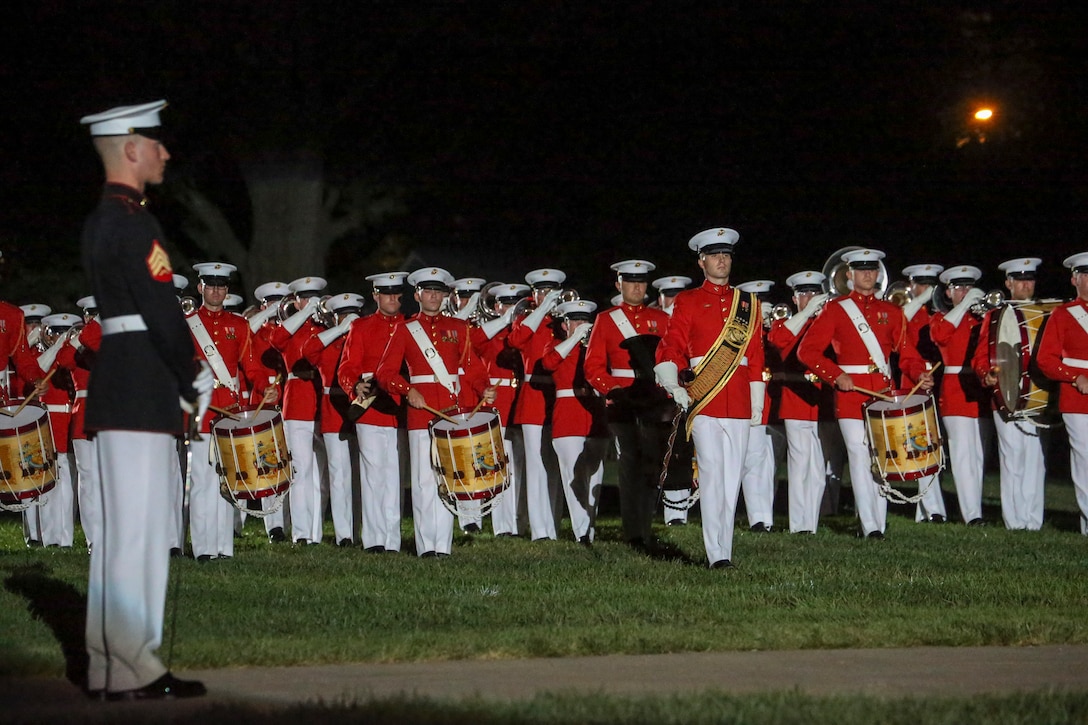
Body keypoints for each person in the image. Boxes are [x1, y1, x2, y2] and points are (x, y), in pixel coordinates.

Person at [79, 99, 209, 699]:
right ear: (131, 149)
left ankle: (113, 663)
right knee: (140, 530)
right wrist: (191, 375)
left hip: (122, 382)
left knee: (123, 532)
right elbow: (161, 309)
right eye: (155, 142)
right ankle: (135, 662)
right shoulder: (134, 223)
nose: (165, 152)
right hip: (141, 384)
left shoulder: (108, 219)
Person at [797, 248, 934, 539]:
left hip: (883, 392)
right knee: (859, 456)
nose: (867, 275)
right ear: (849, 275)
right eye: (861, 270)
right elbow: (807, 351)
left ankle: (877, 523)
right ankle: (870, 526)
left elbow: (907, 355)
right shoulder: (835, 309)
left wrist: (918, 374)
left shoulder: (893, 312)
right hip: (849, 394)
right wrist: (836, 375)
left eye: (871, 270)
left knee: (881, 457)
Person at [654, 228, 765, 569]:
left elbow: (757, 355)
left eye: (727, 255)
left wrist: (759, 401)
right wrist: (674, 384)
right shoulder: (686, 301)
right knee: (713, 472)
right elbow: (671, 345)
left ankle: (724, 548)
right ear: (701, 261)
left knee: (732, 478)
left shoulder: (749, 304)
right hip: (705, 397)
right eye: (715, 255)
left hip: (740, 399)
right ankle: (717, 554)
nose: (722, 260)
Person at [374, 267, 496, 557]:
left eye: (438, 291)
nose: (433, 296)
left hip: (453, 412)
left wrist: (484, 389)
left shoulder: (459, 328)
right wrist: (406, 390)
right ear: (417, 294)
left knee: (449, 479)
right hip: (420, 413)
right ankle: (425, 545)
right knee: (423, 480)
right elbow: (385, 372)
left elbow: (474, 369)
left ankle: (443, 546)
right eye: (427, 291)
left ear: (444, 295)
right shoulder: (405, 329)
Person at [185, 261, 276, 560]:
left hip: (230, 411)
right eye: (210, 286)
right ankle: (203, 548)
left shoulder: (239, 325)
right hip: (201, 410)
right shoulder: (186, 324)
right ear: (200, 288)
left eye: (221, 286)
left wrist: (265, 387)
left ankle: (224, 547)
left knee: (228, 481)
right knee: (201, 480)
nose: (215, 291)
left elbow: (251, 367)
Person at [586, 259, 672, 549]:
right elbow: (593, 367)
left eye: (642, 281)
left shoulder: (661, 320)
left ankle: (645, 525)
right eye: (631, 281)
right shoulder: (607, 319)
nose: (637, 287)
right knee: (629, 464)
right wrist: (613, 389)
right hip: (623, 402)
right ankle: (633, 530)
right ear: (618, 284)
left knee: (651, 464)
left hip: (654, 401)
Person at [971, 257, 1046, 529]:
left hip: (1037, 394)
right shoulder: (995, 315)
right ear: (1008, 283)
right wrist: (986, 373)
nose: (1026, 285)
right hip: (1006, 394)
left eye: (1030, 279)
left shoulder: (1046, 312)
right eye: (1020, 280)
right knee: (1012, 456)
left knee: (1035, 459)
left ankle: (1033, 521)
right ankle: (1014, 521)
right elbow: (980, 356)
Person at [339, 272, 410, 553]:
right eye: (387, 294)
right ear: (376, 296)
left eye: (397, 294)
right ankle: (375, 539)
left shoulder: (409, 326)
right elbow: (347, 366)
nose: (393, 299)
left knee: (395, 474)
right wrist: (353, 385)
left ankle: (392, 539)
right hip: (370, 405)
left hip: (401, 407)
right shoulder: (361, 326)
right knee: (373, 474)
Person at [767, 270, 830, 534]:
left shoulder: (828, 322)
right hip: (795, 397)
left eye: (814, 293)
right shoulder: (789, 323)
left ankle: (810, 523)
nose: (809, 298)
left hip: (822, 400)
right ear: (794, 298)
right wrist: (806, 313)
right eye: (803, 294)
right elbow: (776, 341)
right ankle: (797, 525)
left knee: (817, 468)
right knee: (800, 461)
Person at [507, 269, 566, 541]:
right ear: (533, 294)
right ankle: (539, 530)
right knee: (535, 463)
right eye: (541, 292)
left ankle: (553, 524)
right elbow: (516, 341)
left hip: (558, 394)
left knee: (555, 463)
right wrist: (541, 310)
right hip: (532, 394)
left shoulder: (563, 321)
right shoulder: (527, 319)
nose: (546, 296)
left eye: (550, 292)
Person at [543, 299, 608, 543]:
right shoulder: (557, 345)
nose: (581, 325)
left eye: (585, 321)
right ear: (566, 324)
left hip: (594, 413)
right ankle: (582, 532)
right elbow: (549, 363)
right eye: (575, 321)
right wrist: (574, 339)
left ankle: (589, 527)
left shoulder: (595, 347)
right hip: (568, 416)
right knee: (574, 475)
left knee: (596, 474)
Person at [302, 292, 364, 547]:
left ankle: (362, 530)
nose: (348, 320)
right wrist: (338, 329)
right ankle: (344, 535)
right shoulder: (327, 340)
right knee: (339, 473)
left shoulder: (362, 338)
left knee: (362, 475)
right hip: (333, 409)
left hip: (363, 406)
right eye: (343, 315)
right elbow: (308, 351)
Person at [928, 265, 989, 525]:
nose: (965, 292)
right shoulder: (940, 318)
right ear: (948, 293)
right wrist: (964, 307)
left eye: (969, 287)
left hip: (980, 387)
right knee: (963, 453)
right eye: (959, 288)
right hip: (955, 389)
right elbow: (940, 336)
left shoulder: (982, 317)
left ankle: (976, 508)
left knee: (979, 454)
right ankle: (971, 514)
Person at [1034, 252, 1088, 535]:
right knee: (1086, 462)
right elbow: (1045, 359)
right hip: (1077, 398)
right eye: (1086, 275)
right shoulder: (1064, 314)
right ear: (1074, 279)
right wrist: (1074, 376)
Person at [898, 263, 948, 523]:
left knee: (934, 449)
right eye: (922, 284)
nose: (927, 289)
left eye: (931, 284)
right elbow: (899, 322)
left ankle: (925, 510)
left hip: (942, 386)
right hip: (913, 385)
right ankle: (934, 509)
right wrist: (922, 299)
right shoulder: (909, 311)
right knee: (919, 446)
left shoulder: (941, 311)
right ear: (912, 286)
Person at [734, 280, 779, 532]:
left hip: (762, 402)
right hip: (743, 398)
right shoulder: (739, 329)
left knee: (759, 460)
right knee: (738, 460)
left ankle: (761, 518)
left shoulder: (771, 330)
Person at [650, 275, 695, 525]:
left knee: (686, 454)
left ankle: (682, 512)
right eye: (669, 296)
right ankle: (670, 512)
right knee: (668, 452)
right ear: (660, 298)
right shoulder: (654, 321)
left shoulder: (689, 320)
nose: (674, 301)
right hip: (662, 396)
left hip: (691, 390)